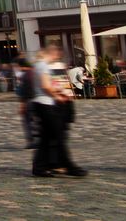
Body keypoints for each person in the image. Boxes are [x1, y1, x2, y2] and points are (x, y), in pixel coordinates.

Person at [28, 46, 84, 178]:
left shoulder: (37, 65)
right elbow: (46, 85)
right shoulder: (43, 66)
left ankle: (40, 167)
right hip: (46, 104)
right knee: (58, 136)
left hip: (39, 103)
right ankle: (68, 165)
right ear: (52, 54)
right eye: (56, 55)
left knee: (46, 138)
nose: (57, 57)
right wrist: (58, 96)